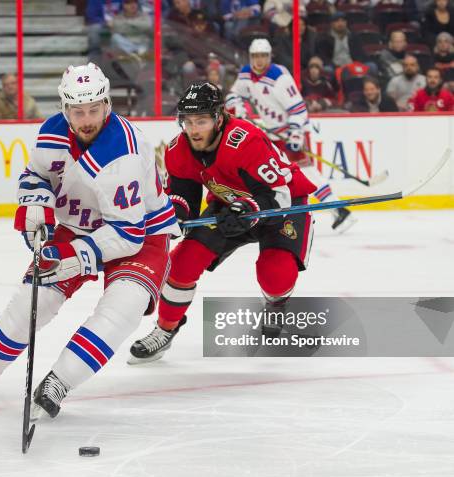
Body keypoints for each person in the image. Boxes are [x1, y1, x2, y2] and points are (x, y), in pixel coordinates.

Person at [0, 63, 179, 418]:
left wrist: (73, 257)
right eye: (77, 111)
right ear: (65, 109)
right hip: (77, 225)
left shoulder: (124, 153)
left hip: (140, 233)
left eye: (94, 109)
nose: (86, 119)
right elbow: (37, 175)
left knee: (123, 308)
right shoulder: (51, 132)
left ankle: (60, 380)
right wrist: (35, 206)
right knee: (33, 299)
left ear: (107, 104)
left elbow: (127, 235)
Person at [128, 82, 317, 364]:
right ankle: (165, 329)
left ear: (218, 118)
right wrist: (178, 214)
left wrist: (250, 209)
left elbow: (279, 194)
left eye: (201, 121)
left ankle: (276, 304)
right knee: (182, 262)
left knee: (275, 274)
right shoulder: (179, 148)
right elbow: (184, 195)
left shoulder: (245, 141)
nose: (193, 129)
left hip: (281, 206)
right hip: (230, 205)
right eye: (188, 121)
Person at [225, 38, 355, 232]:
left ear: (269, 57)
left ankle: (339, 210)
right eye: (255, 56)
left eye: (263, 56)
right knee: (272, 175)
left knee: (306, 174)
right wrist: (238, 106)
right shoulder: (246, 74)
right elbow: (233, 95)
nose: (259, 60)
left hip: (290, 132)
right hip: (271, 135)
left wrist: (295, 135)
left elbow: (299, 109)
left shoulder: (280, 78)